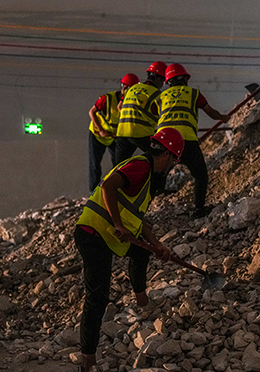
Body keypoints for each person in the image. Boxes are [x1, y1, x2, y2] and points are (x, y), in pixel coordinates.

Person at [74, 128, 183, 372]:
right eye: (174, 160)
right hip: (94, 232)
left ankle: (142, 301)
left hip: (109, 233)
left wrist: (157, 244)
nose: (172, 166)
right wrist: (118, 224)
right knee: (97, 297)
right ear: (166, 154)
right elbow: (107, 186)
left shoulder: (148, 176)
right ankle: (88, 360)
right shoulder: (140, 167)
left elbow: (137, 218)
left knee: (142, 252)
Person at [156, 63, 229, 219]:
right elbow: (210, 112)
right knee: (200, 174)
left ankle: (152, 208)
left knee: (159, 174)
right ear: (185, 79)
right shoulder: (193, 93)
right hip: (186, 139)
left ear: (168, 82)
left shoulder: (161, 96)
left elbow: (154, 115)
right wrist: (222, 117)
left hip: (165, 141)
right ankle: (199, 209)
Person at [88, 73, 140, 191]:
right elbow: (92, 112)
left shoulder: (130, 103)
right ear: (124, 88)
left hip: (114, 136)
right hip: (98, 135)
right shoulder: (107, 99)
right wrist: (101, 130)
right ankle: (93, 192)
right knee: (95, 164)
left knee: (117, 164)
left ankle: (113, 188)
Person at [114, 61, 167, 163]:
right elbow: (161, 115)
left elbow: (120, 106)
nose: (162, 84)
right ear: (158, 79)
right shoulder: (156, 94)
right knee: (159, 159)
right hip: (141, 134)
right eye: (163, 80)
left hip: (122, 132)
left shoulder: (132, 88)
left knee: (119, 166)